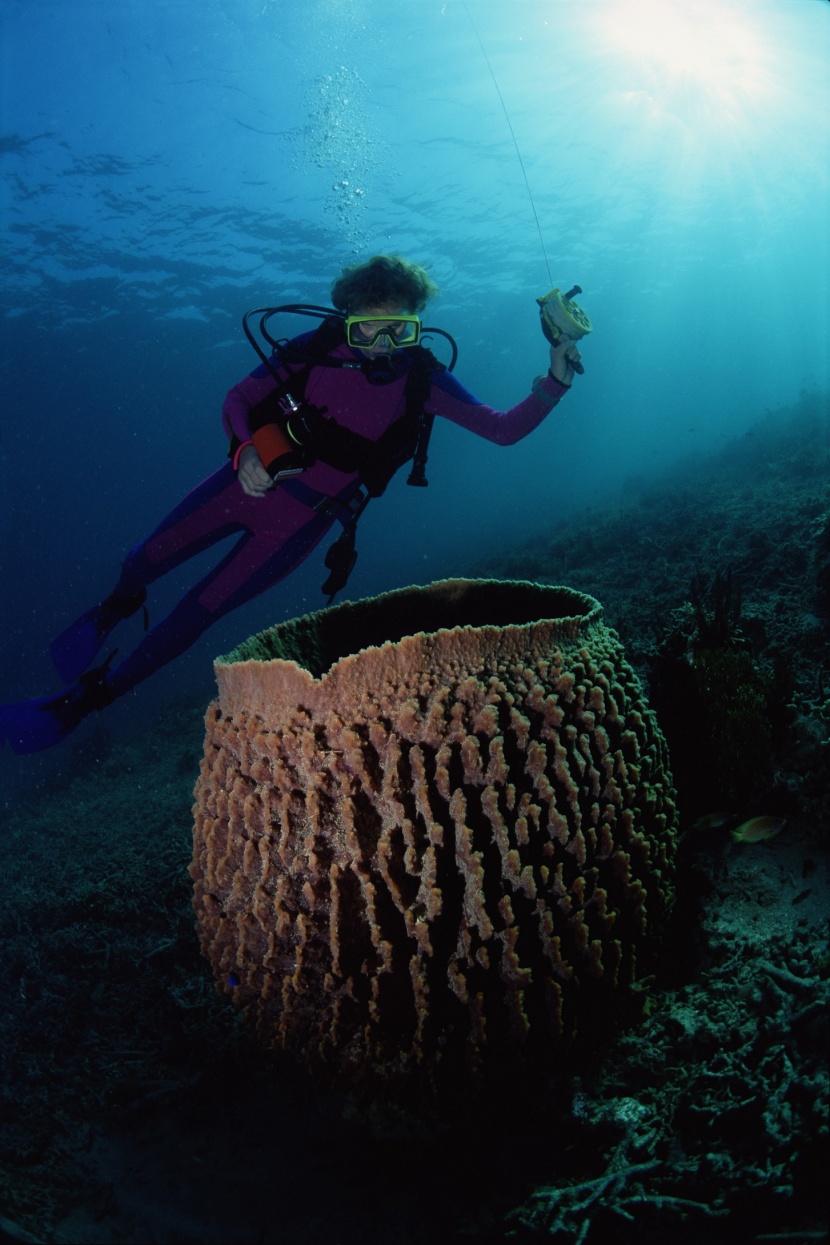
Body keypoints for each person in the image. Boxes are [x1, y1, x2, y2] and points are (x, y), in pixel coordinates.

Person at [0, 254, 582, 754]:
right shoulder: (314, 350)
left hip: (298, 526)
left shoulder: (422, 382)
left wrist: (554, 381)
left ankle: (87, 701)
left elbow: (501, 429)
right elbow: (239, 397)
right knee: (140, 561)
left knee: (195, 616)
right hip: (235, 490)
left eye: (399, 332)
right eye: (367, 331)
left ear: (417, 327)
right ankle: (113, 609)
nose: (382, 347)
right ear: (345, 321)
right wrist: (246, 451)